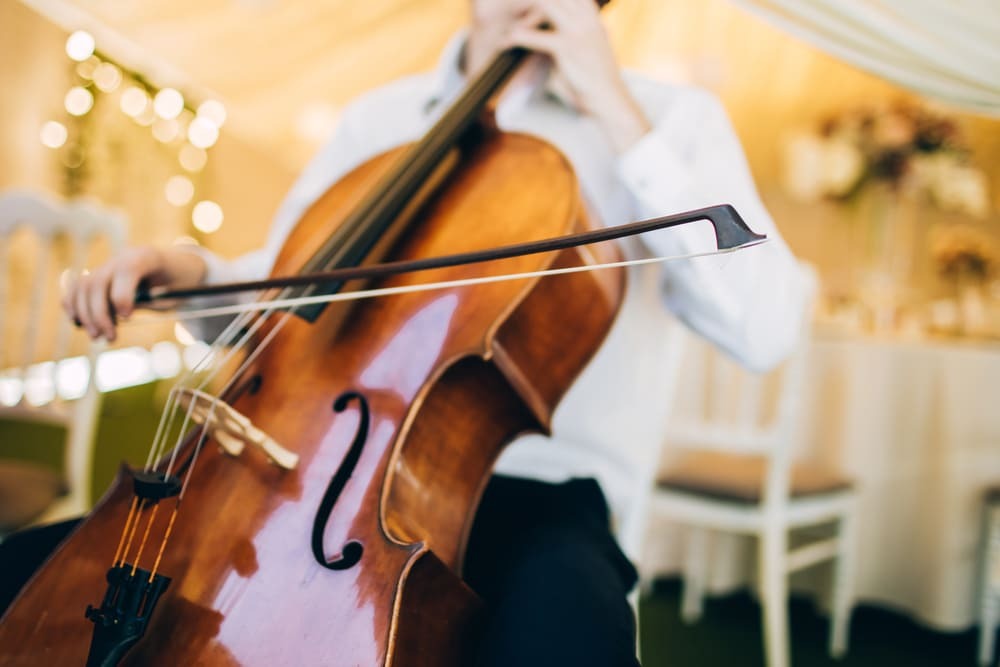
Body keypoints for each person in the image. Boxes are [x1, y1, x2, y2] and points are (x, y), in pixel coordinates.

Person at [61, 0, 809, 664]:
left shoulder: (666, 119)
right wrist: (184, 270)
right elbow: (284, 298)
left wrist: (612, 106)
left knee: (568, 636)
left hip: (534, 499)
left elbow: (767, 329)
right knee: (41, 579)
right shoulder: (378, 120)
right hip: (308, 475)